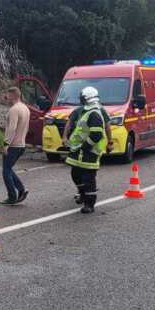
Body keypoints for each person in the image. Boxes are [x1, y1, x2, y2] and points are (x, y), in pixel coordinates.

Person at [64, 86, 109, 214]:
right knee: (76, 174)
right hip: (79, 151)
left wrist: (85, 147)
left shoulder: (94, 113)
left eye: (82, 98)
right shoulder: (86, 111)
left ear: (87, 98)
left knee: (88, 178)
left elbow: (97, 134)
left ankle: (90, 203)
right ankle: (83, 194)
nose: (81, 100)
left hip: (90, 152)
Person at [0, 85, 30, 205]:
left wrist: (6, 144)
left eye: (7, 95)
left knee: (6, 171)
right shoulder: (25, 108)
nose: (6, 97)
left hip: (13, 145)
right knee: (8, 168)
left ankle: (12, 196)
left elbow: (12, 128)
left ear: (13, 95)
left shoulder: (14, 110)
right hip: (21, 144)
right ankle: (22, 190)